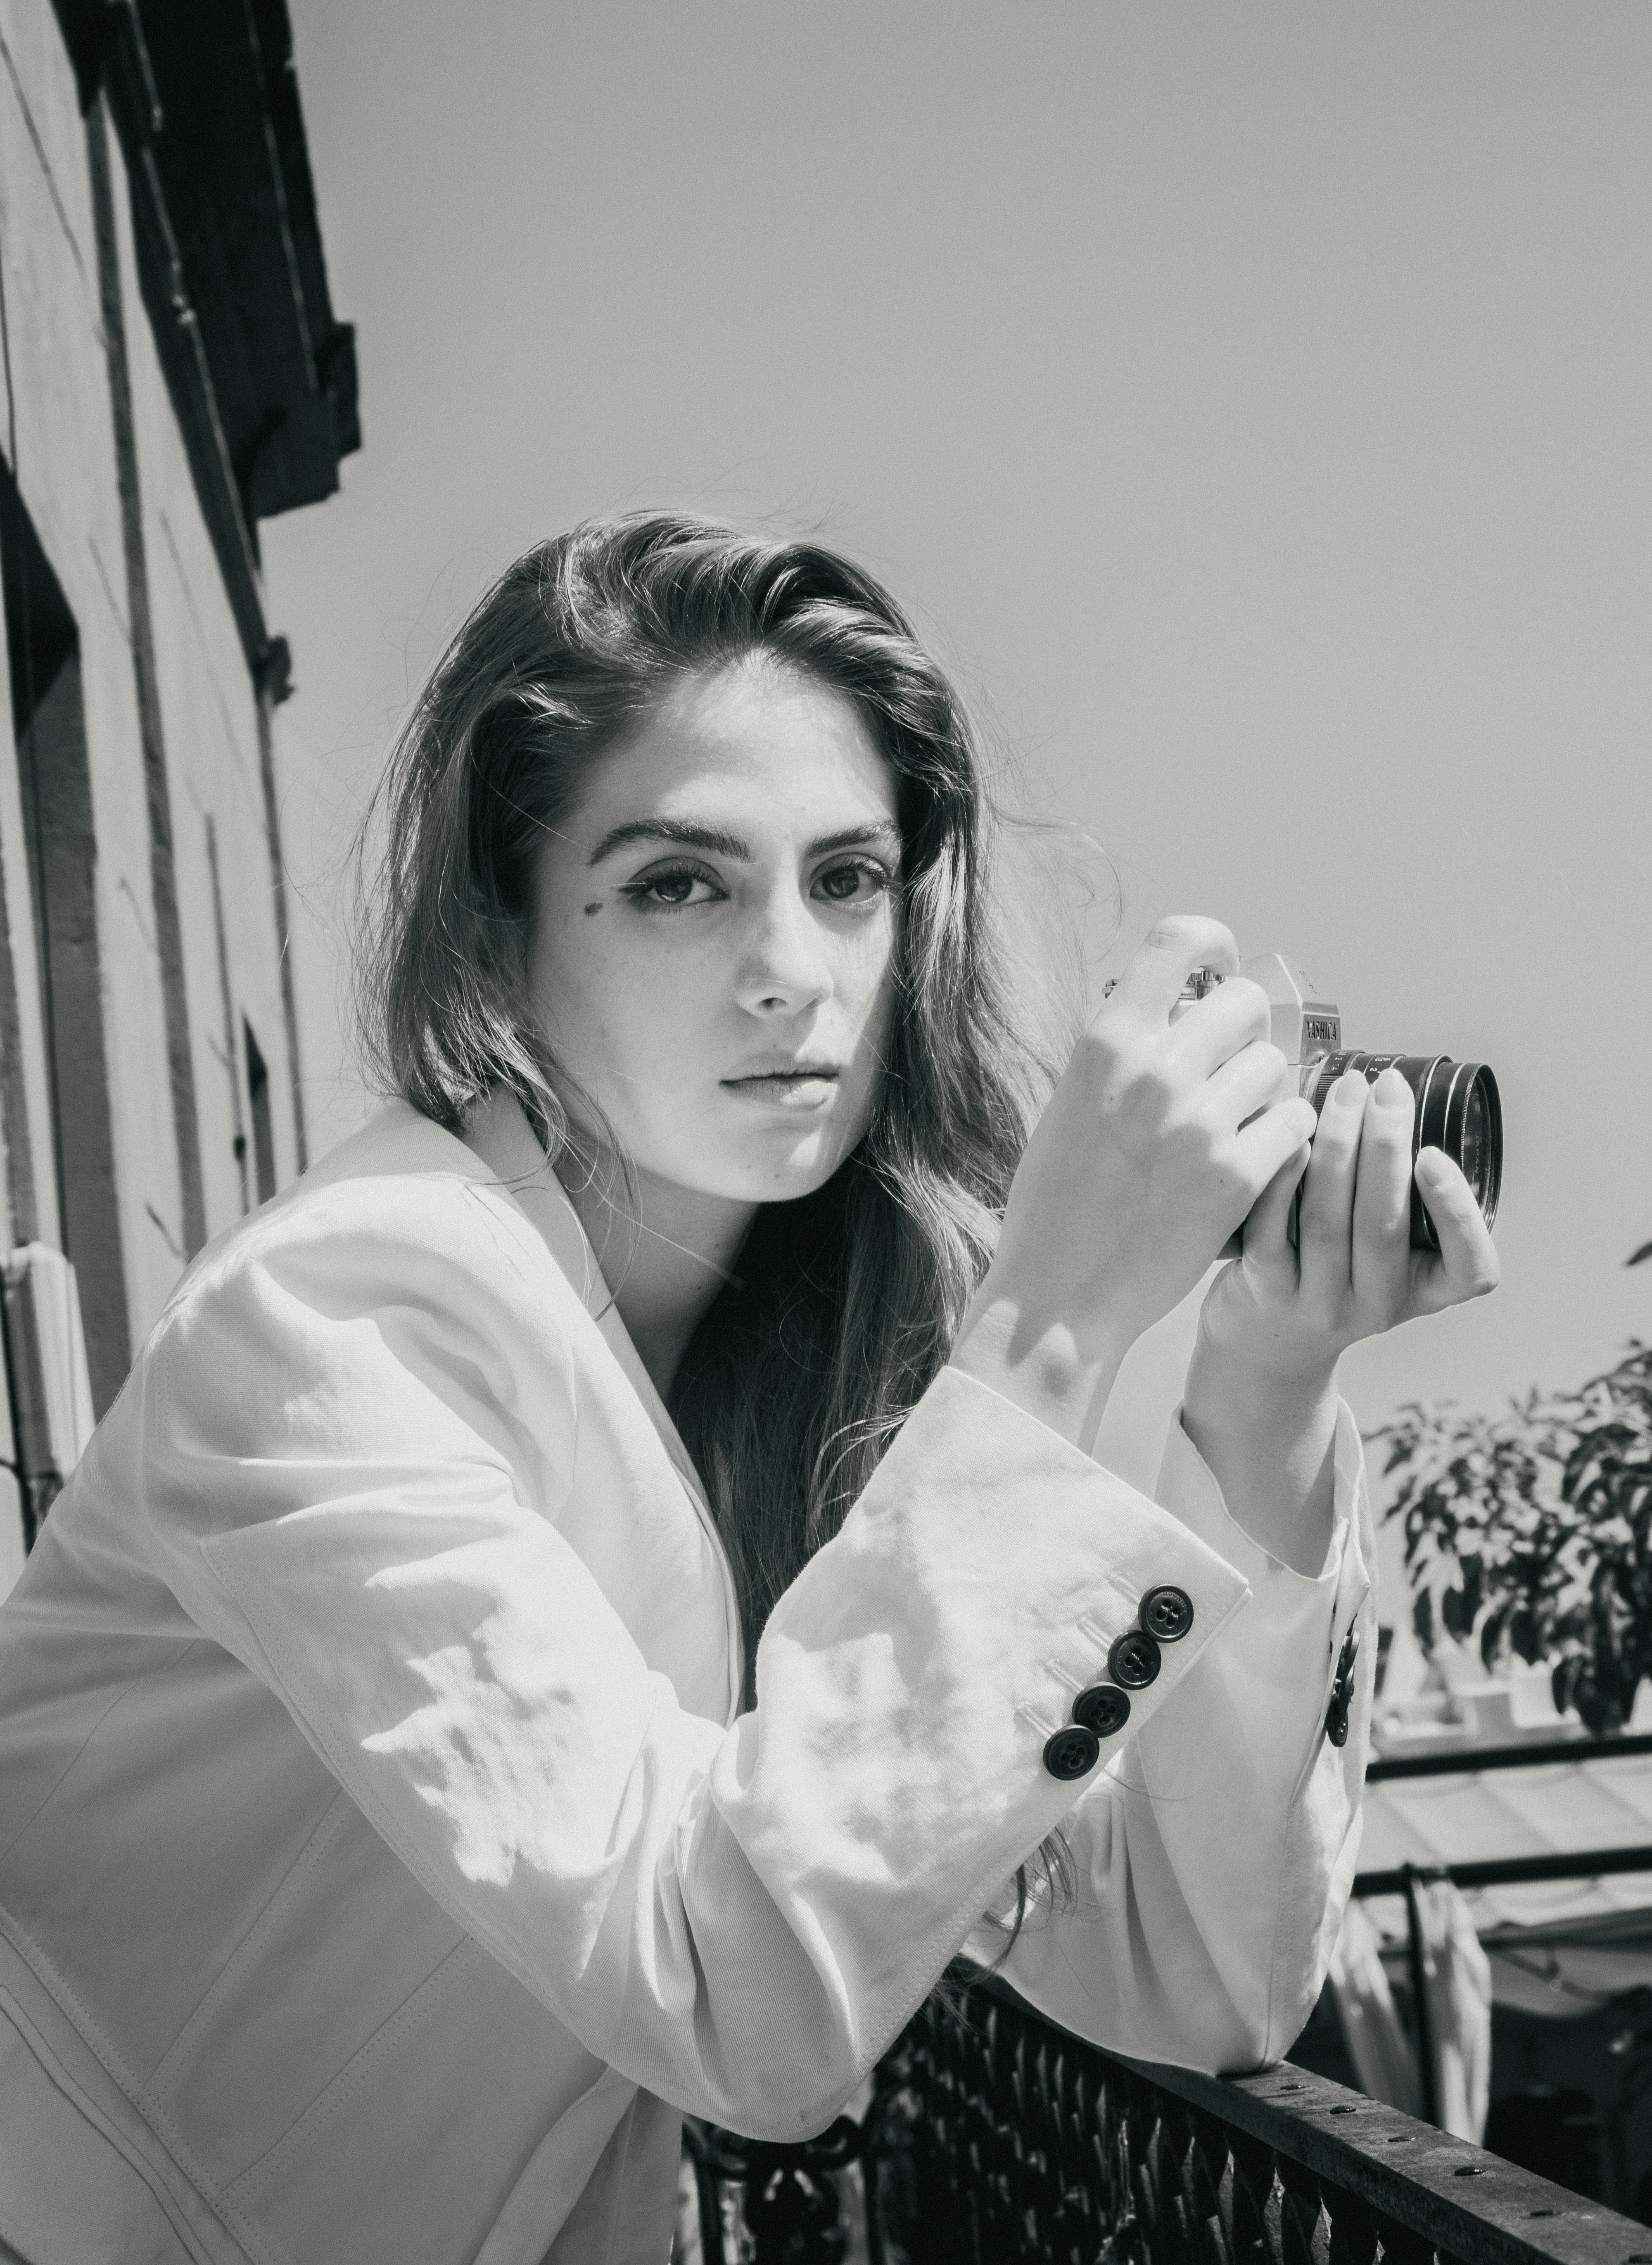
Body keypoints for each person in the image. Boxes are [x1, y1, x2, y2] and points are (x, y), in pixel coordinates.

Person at [0, 515, 1498, 2265]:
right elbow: (731, 1990)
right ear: (497, 936)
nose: (793, 965)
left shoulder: (819, 1373)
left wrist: (1260, 1389)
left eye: (846, 878)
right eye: (677, 883)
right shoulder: (342, 1318)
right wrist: (1060, 1318)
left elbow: (1187, 1987)